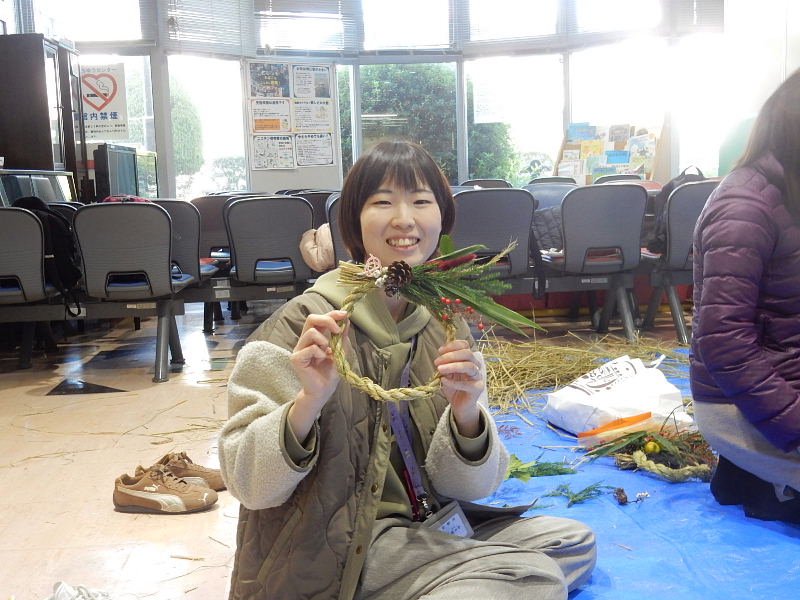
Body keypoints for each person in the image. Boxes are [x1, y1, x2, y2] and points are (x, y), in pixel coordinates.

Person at [219, 140, 596, 600]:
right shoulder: (304, 326)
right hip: (338, 548)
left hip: (427, 523)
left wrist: (467, 416)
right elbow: (249, 486)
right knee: (532, 576)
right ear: (354, 221)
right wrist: (307, 402)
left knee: (570, 540)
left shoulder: (443, 322)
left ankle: (449, 582)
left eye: (421, 201)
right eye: (382, 202)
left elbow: (470, 488)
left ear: (442, 216)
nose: (404, 219)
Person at [691, 71, 800, 524]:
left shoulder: (791, 191)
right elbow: (723, 341)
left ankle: (753, 477)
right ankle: (762, 476)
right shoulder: (744, 208)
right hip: (749, 401)